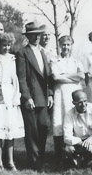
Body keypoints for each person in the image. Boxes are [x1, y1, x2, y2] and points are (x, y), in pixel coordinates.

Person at [16, 21, 54, 170]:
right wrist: (27, 97)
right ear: (28, 37)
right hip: (31, 98)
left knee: (44, 127)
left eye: (38, 35)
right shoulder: (22, 53)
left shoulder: (43, 52)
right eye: (33, 35)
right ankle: (34, 163)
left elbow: (48, 77)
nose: (37, 37)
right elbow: (21, 78)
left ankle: (41, 158)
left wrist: (50, 94)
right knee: (32, 131)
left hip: (44, 98)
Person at [0, 33, 24, 172]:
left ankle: (10, 161)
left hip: (10, 94)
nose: (6, 47)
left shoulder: (12, 58)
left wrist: (15, 97)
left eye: (8, 45)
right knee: (0, 131)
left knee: (10, 131)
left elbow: (15, 78)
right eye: (4, 45)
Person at [51, 35, 85, 160]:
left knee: (75, 119)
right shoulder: (55, 59)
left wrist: (64, 75)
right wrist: (73, 76)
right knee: (59, 120)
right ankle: (60, 153)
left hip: (74, 91)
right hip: (60, 93)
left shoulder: (76, 60)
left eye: (68, 45)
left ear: (71, 46)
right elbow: (55, 77)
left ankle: (77, 152)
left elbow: (81, 75)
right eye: (63, 44)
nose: (66, 47)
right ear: (60, 45)